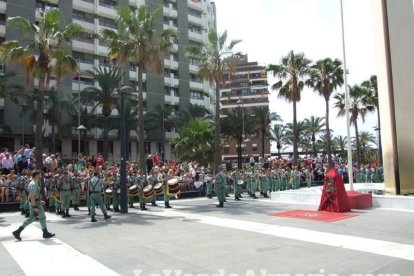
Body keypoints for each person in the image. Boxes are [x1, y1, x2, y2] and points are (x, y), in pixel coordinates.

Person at [12, 170, 55, 241]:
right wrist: (34, 206)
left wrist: (39, 200)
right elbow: (32, 196)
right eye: (40, 175)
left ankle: (18, 232)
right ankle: (45, 232)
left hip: (35, 202)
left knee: (31, 218)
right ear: (36, 176)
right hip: (35, 204)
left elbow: (31, 195)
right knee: (42, 217)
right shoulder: (33, 184)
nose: (41, 176)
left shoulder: (35, 183)